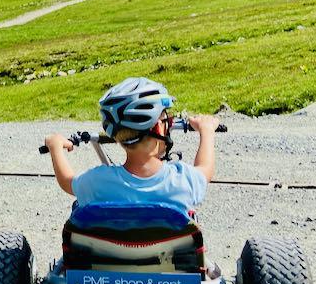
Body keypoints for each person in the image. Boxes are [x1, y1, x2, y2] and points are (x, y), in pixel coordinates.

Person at [43, 77, 220, 214]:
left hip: (107, 261)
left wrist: (55, 147)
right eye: (168, 119)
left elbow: (67, 181)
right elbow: (205, 170)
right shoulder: (182, 181)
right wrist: (207, 131)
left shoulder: (98, 182)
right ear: (158, 126)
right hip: (170, 261)